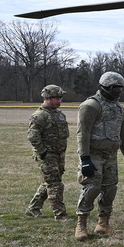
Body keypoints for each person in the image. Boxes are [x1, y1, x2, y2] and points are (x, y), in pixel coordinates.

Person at [75, 71, 124, 241]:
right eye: (116, 88)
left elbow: (123, 134)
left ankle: (103, 223)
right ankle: (81, 224)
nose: (119, 92)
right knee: (91, 188)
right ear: (107, 87)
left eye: (121, 88)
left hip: (111, 155)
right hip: (93, 154)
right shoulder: (91, 106)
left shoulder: (119, 108)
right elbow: (82, 134)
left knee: (110, 189)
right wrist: (85, 159)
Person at [26, 84, 71, 221]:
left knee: (49, 183)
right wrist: (42, 152)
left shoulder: (58, 114)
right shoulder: (40, 116)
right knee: (55, 184)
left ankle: (33, 208)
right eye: (57, 97)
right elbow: (33, 136)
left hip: (58, 154)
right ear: (48, 98)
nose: (60, 101)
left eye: (60, 98)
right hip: (47, 155)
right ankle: (60, 215)